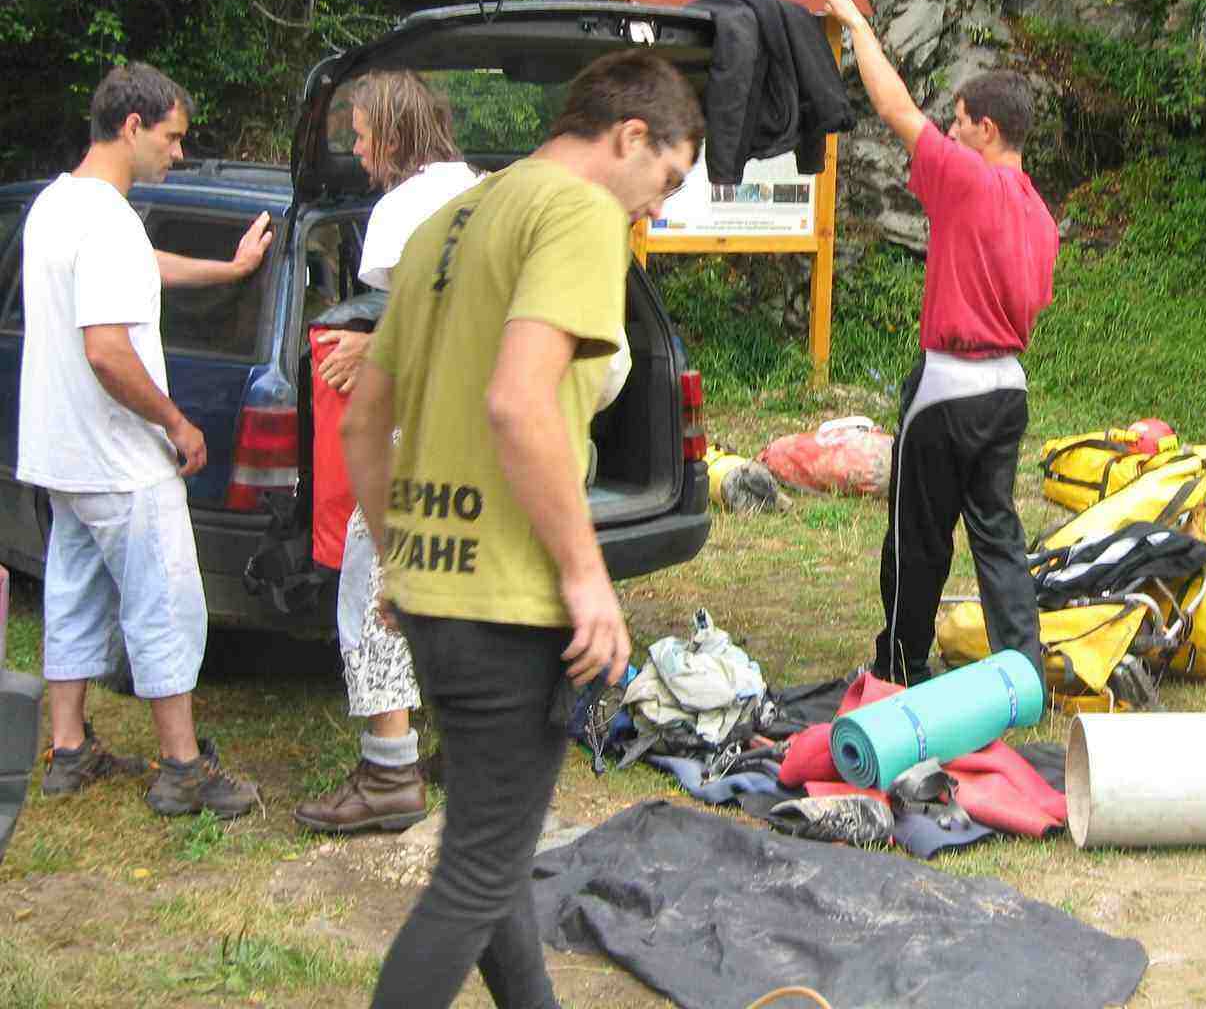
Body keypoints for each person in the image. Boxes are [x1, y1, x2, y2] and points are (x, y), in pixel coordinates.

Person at [340, 49, 700, 1009]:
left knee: (488, 854)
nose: (656, 208)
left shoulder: (445, 222)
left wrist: (398, 555)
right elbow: (518, 402)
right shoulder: (581, 213)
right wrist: (586, 575)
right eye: (666, 180)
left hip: (434, 591)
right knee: (474, 876)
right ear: (631, 135)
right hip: (508, 603)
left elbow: (363, 421)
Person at [21, 62, 271, 817]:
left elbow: (138, 267)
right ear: (133, 126)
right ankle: (183, 768)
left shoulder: (58, 204)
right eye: (172, 137)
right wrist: (175, 421)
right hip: (121, 462)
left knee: (73, 593)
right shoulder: (108, 220)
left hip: (64, 458)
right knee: (165, 605)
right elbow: (106, 350)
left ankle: (69, 751)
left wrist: (230, 269)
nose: (179, 152)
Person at [805, 0, 1057, 688]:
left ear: (989, 130)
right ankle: (1024, 671)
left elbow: (894, 108)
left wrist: (857, 24)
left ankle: (900, 662)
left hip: (948, 385)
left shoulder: (969, 180)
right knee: (998, 534)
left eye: (961, 121)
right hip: (1008, 389)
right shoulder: (1041, 215)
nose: (951, 131)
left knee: (917, 535)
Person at [294, 71, 481, 834]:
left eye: (364, 134)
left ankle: (388, 772)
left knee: (375, 588)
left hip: (431, 426)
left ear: (396, 134)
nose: (359, 150)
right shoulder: (477, 189)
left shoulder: (402, 210)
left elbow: (423, 328)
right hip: (486, 430)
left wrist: (372, 352)